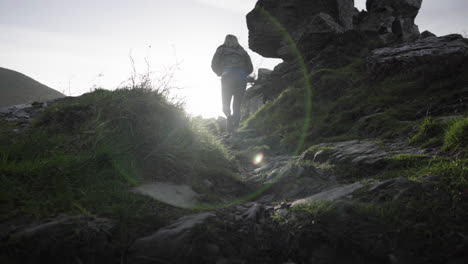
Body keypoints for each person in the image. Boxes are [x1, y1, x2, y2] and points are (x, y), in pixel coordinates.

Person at [211, 34, 253, 133]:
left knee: (225, 104)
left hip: (227, 75)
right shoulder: (243, 51)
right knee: (237, 105)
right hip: (241, 77)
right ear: (236, 41)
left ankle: (229, 117)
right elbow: (250, 68)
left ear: (226, 40)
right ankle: (235, 130)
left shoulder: (221, 49)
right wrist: (243, 74)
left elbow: (214, 63)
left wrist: (220, 72)